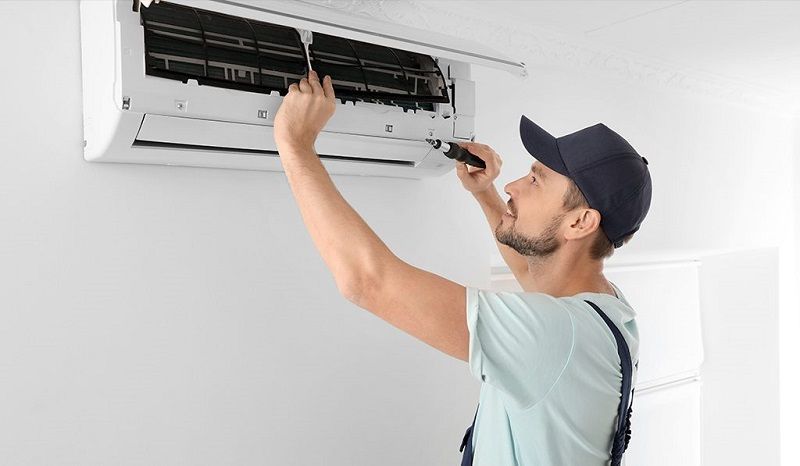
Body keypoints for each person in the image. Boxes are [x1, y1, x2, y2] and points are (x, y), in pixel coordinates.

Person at [273, 70, 652, 465]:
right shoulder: (606, 310)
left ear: (580, 222)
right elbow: (534, 272)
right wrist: (485, 194)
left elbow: (367, 281)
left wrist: (296, 146)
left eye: (535, 180)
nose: (513, 186)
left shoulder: (556, 334)